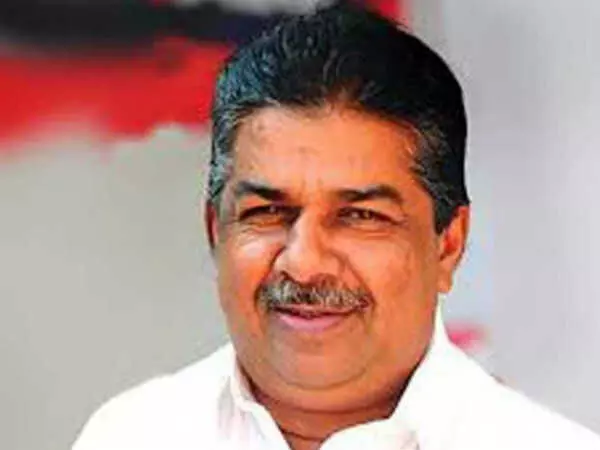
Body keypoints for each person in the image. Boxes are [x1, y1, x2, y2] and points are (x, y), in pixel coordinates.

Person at [72, 3, 600, 450]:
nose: (303, 262)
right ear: (216, 232)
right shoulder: (134, 435)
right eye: (266, 212)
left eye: (361, 216)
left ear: (448, 245)